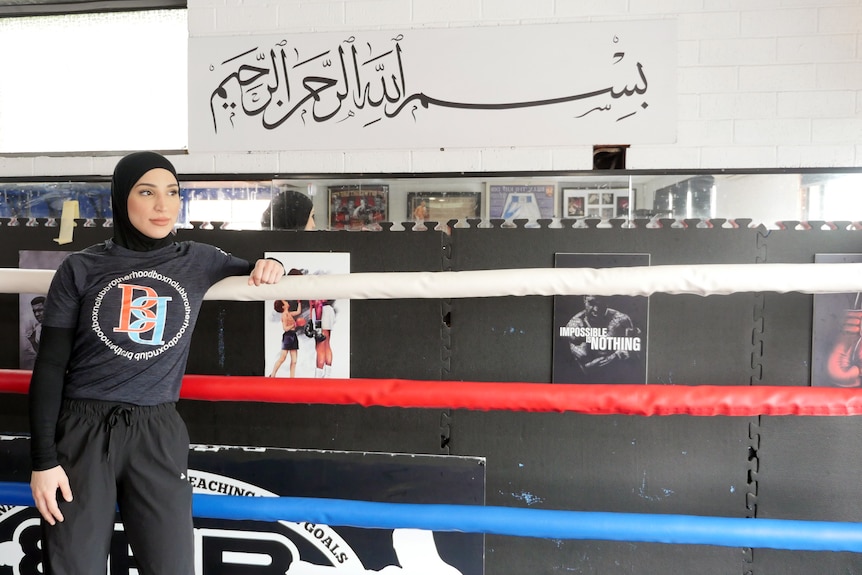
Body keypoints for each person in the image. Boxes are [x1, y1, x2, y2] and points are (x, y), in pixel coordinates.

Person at [28, 151, 286, 574]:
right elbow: (50, 366)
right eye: (147, 192)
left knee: (171, 566)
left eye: (172, 193)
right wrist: (43, 460)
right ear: (121, 199)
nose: (163, 205)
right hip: (82, 431)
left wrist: (273, 262)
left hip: (158, 430)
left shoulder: (199, 260)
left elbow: (261, 268)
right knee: (74, 566)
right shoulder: (80, 268)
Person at [564, 295, 641, 379]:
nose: (596, 309)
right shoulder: (575, 325)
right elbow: (588, 368)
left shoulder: (621, 320)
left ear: (607, 303)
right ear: (584, 300)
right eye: (592, 303)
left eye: (601, 304)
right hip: (589, 383)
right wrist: (617, 355)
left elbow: (635, 357)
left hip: (620, 380)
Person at [20, 296, 45, 369]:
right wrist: (33, 341)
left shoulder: (58, 325)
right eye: (34, 311)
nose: (37, 314)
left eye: (40, 310)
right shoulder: (38, 329)